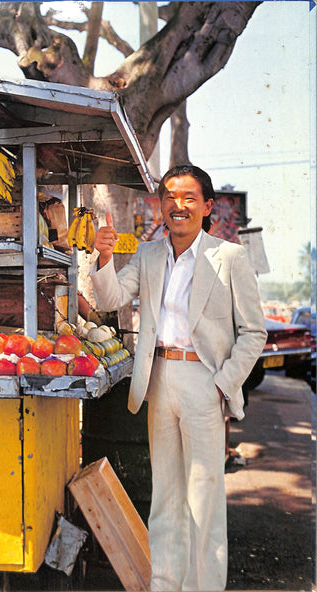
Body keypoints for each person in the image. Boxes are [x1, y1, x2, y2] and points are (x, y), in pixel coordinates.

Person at [90, 164, 267, 591]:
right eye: (170, 196)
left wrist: (223, 383)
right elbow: (111, 297)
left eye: (189, 197)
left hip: (204, 382)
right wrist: (105, 258)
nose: (178, 205)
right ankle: (165, 585)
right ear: (161, 204)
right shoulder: (150, 255)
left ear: (207, 207)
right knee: (165, 497)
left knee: (203, 500)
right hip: (159, 380)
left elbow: (254, 332)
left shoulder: (229, 257)